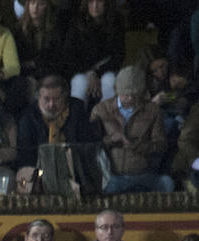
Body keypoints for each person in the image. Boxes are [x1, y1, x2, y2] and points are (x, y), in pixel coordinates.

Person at [92, 65, 176, 194]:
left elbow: (160, 145)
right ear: (116, 90)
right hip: (112, 176)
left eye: (135, 94)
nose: (130, 98)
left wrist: (136, 145)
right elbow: (90, 145)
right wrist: (111, 140)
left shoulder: (153, 110)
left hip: (143, 174)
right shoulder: (101, 109)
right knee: (103, 188)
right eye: (126, 94)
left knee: (167, 183)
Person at [14, 74, 100, 192]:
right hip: (39, 173)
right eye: (46, 99)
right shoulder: (28, 117)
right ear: (38, 97)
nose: (51, 105)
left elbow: (88, 146)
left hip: (74, 170)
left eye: (56, 99)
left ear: (65, 97)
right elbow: (25, 155)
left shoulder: (77, 110)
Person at [66, 0, 124, 107]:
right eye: (91, 2)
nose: (95, 6)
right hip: (82, 69)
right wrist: (90, 72)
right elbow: (70, 55)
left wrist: (97, 72)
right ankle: (77, 120)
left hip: (106, 69)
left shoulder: (116, 22)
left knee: (109, 81)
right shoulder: (77, 22)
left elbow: (118, 55)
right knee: (80, 83)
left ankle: (107, 120)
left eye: (99, 2)